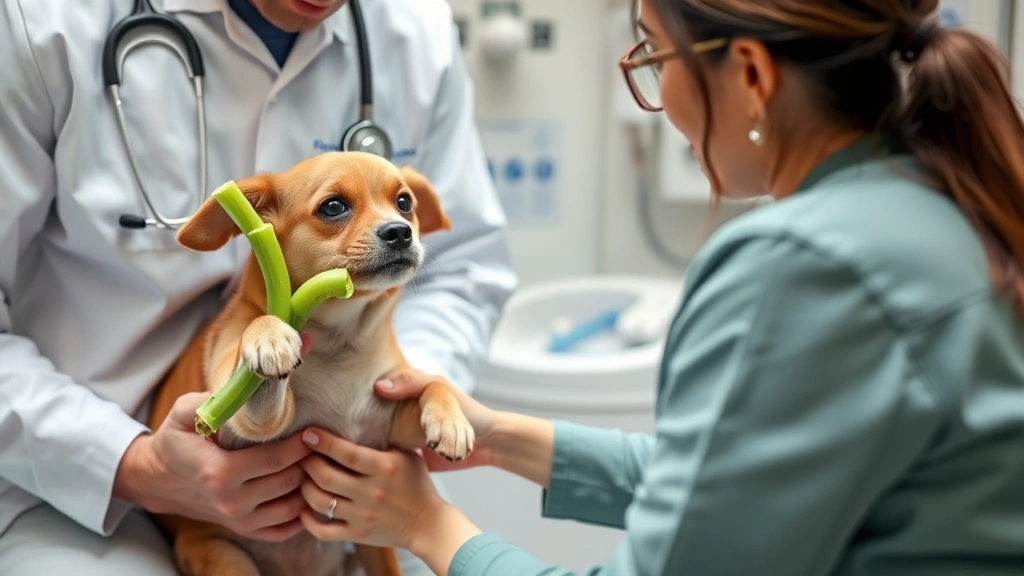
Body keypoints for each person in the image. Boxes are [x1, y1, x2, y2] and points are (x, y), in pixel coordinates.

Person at [290, 0, 1024, 574]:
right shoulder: (936, 202)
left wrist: (427, 525)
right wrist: (498, 437)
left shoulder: (799, 266)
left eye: (654, 56)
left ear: (749, 74)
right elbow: (733, 489)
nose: (658, 95)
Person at [0, 0, 516, 574]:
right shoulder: (40, 19)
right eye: (338, 207)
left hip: (346, 477)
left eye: (399, 204)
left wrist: (382, 410)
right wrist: (132, 464)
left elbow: (463, 265)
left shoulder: (414, 28)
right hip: (72, 467)